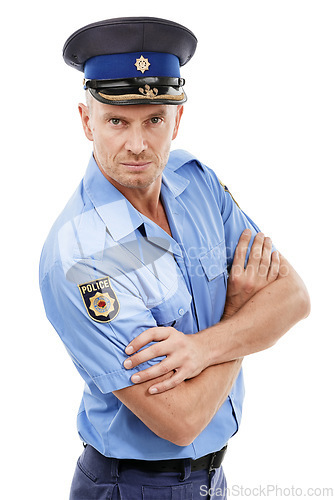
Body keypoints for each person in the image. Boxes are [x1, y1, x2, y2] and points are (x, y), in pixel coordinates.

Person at [39, 17, 310, 499]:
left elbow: (293, 297)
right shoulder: (81, 256)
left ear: (177, 121)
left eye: (155, 120)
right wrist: (239, 310)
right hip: (133, 487)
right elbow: (180, 420)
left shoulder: (197, 183)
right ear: (87, 121)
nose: (138, 145)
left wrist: (202, 348)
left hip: (213, 481)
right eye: (117, 121)